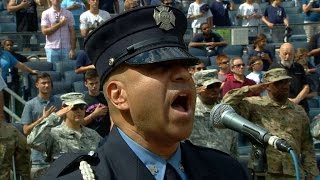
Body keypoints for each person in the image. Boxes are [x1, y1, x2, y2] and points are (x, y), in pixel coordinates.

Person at [41, 6, 249, 179]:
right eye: (160, 67)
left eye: (184, 67)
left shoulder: (227, 171)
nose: (184, 76)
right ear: (118, 95)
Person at [222, 68, 319, 179]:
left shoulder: (298, 110)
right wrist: (249, 89)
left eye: (286, 82)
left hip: (293, 171)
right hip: (265, 172)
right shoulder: (255, 104)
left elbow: (307, 145)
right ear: (267, 86)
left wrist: (311, 172)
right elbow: (226, 102)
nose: (285, 86)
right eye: (278, 83)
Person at [27, 92, 102, 163]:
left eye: (82, 107)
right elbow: (33, 141)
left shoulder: (93, 134)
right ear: (64, 109)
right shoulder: (54, 134)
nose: (79, 111)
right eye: (74, 107)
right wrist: (54, 117)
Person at [20, 73, 62, 178]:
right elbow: (26, 130)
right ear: (37, 85)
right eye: (43, 83)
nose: (46, 85)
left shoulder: (59, 102)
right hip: (38, 157)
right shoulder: (30, 105)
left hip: (57, 155)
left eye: (48, 83)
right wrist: (43, 119)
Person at [189, 69, 238, 158]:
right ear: (199, 88)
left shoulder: (225, 111)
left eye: (217, 85)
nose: (215, 90)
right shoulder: (189, 112)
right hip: (198, 165)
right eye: (210, 86)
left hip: (224, 162)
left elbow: (233, 146)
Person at [270, 43, 310, 113]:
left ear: (294, 54)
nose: (287, 57)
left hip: (300, 106)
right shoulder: (273, 68)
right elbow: (271, 89)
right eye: (285, 54)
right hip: (282, 108)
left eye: (290, 54)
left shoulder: (299, 67)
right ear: (279, 54)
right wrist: (287, 101)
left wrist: (296, 100)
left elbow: (306, 86)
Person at [83, 69, 111, 137]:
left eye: (96, 82)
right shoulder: (83, 101)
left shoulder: (107, 97)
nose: (94, 86)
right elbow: (80, 123)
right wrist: (94, 114)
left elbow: (113, 117)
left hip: (107, 134)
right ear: (86, 84)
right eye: (91, 83)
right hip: (91, 137)